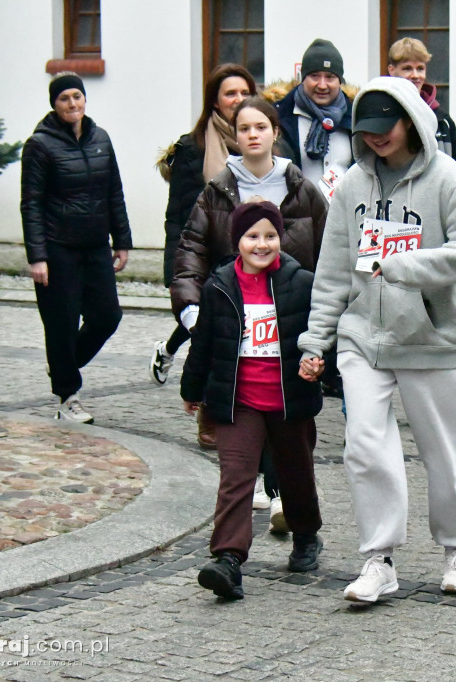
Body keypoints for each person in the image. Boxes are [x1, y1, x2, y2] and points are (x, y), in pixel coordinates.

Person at [298, 76, 456, 602]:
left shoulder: (448, 179)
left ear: (411, 121)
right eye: (369, 130)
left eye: (387, 127)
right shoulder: (353, 187)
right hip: (364, 335)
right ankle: (378, 559)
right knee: (363, 445)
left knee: (445, 452)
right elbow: (334, 268)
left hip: (431, 337)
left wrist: (405, 267)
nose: (378, 138)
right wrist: (316, 341)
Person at [171, 96, 328, 530]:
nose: (253, 135)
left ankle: (290, 511)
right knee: (241, 419)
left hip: (291, 316)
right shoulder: (218, 189)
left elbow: (330, 249)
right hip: (233, 314)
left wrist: (323, 319)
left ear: (275, 132)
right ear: (234, 136)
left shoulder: (300, 187)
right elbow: (191, 251)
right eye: (244, 129)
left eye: (261, 126)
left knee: (289, 431)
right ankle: (233, 544)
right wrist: (192, 310)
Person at [182, 201, 324, 602]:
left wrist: (320, 365)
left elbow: (319, 333)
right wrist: (192, 391)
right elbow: (205, 344)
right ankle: (227, 558)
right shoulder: (220, 285)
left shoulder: (301, 282)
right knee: (236, 479)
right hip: (238, 401)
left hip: (287, 400)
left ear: (280, 239)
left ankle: (306, 534)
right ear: (237, 241)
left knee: (295, 472)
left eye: (270, 236)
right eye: (252, 237)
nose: (261, 245)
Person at [151, 63, 256, 451]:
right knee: (212, 341)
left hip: (251, 256)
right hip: (210, 260)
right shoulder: (192, 149)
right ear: (215, 99)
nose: (239, 101)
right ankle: (208, 414)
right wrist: (176, 273)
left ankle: (244, 411)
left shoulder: (263, 141)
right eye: (231, 93)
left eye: (245, 93)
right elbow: (177, 216)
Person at [20, 72, 131, 424]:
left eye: (77, 97)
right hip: (58, 249)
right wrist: (37, 256)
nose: (72, 104)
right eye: (64, 98)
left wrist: (123, 240)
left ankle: (63, 364)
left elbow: (114, 191)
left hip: (96, 245)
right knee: (61, 323)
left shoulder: (101, 139)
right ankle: (68, 395)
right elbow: (31, 203)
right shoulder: (40, 145)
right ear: (54, 104)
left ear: (85, 100)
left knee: (107, 316)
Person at [275, 39, 354, 196]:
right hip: (298, 217)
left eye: (330, 77)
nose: (322, 85)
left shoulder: (355, 118)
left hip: (344, 217)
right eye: (315, 76)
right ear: (303, 78)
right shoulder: (280, 117)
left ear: (340, 81)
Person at [387, 37, 456, 172]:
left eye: (420, 68)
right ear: (391, 70)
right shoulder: (380, 114)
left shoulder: (443, 121)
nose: (415, 75)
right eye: (407, 68)